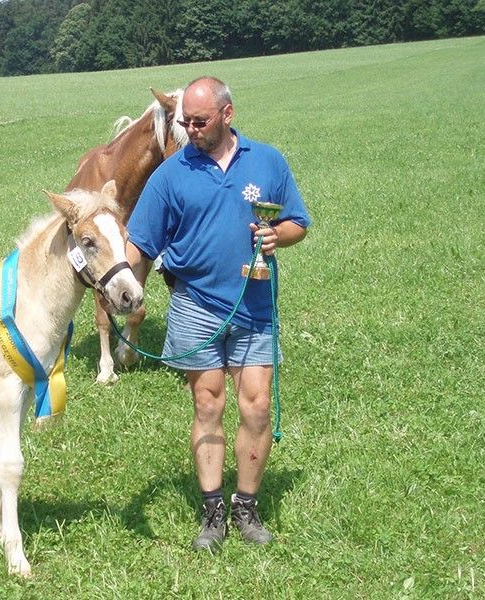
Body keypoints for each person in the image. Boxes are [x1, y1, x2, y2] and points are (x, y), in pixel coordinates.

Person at [125, 76, 311, 552]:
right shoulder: (170, 174)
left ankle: (246, 507)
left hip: (254, 304)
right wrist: (127, 295)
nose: (189, 128)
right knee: (208, 405)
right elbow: (140, 243)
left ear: (228, 115)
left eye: (199, 120)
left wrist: (278, 236)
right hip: (195, 306)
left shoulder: (267, 160)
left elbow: (297, 222)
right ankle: (212, 514)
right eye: (185, 120)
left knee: (258, 405)